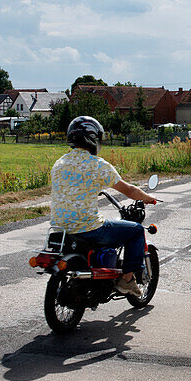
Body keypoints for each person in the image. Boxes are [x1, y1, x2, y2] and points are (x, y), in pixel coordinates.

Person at [51, 115, 159, 297]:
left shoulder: (59, 163)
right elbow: (129, 190)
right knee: (135, 231)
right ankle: (127, 280)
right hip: (88, 227)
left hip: (59, 227)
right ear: (93, 139)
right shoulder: (97, 165)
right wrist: (147, 197)